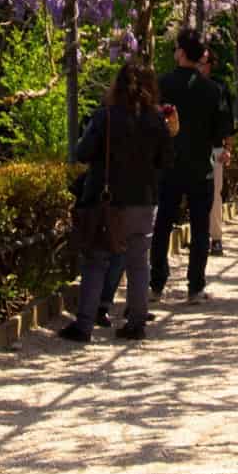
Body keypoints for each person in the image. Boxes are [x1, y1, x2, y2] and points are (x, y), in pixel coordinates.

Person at [58, 61, 178, 343]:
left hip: (108, 202)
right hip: (144, 201)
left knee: (97, 260)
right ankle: (136, 323)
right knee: (138, 263)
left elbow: (83, 152)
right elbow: (167, 161)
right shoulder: (154, 120)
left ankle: (84, 325)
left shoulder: (106, 117)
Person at [153, 29, 226, 302]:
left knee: (162, 224)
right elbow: (220, 130)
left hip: (169, 164)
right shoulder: (211, 89)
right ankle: (195, 286)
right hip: (200, 165)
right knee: (200, 227)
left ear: (182, 52)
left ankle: (157, 283)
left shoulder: (163, 84)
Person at [201, 48, 234, 254]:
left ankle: (215, 237)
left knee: (214, 194)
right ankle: (200, 236)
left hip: (215, 148)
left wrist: (228, 148)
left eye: (204, 62)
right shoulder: (187, 88)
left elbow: (228, 121)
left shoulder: (219, 87)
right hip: (190, 150)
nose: (200, 66)